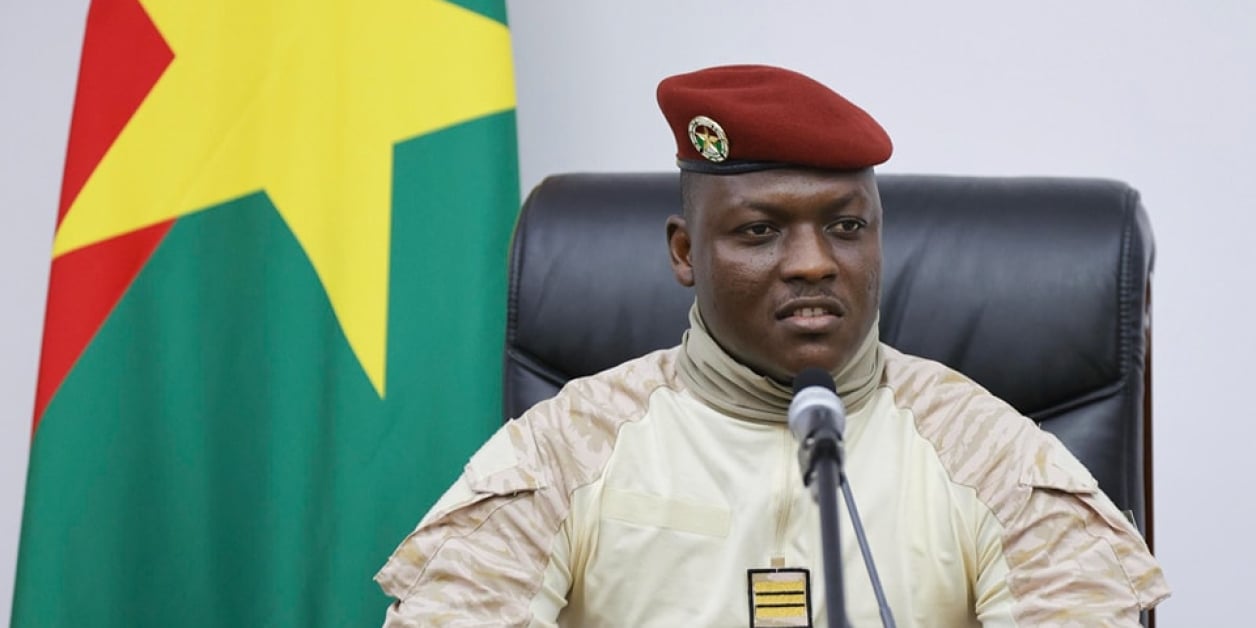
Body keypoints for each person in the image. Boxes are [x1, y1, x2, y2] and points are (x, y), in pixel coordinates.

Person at [374, 64, 1169, 627]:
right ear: (685, 252)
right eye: (760, 231)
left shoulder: (989, 454)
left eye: (846, 226)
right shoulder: (568, 449)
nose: (814, 263)